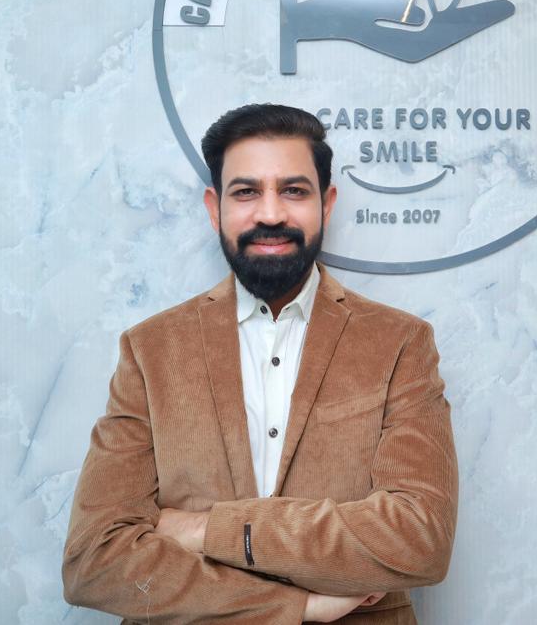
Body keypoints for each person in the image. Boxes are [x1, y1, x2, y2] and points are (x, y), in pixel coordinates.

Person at [62, 103, 458, 623]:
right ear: (214, 207)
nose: (270, 213)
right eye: (246, 192)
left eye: (293, 191)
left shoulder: (400, 344)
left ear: (327, 204)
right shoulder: (150, 349)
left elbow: (419, 538)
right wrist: (299, 607)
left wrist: (208, 531)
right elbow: (95, 559)